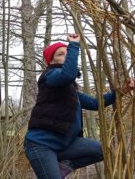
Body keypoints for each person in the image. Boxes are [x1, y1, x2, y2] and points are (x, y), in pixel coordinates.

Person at [24, 33, 135, 179]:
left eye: (67, 53)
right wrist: (74, 45)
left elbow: (95, 103)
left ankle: (62, 168)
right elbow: (67, 75)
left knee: (102, 150)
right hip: (41, 145)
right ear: (51, 61)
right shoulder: (49, 76)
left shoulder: (70, 90)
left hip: (66, 144)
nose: (66, 55)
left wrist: (121, 91)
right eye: (61, 54)